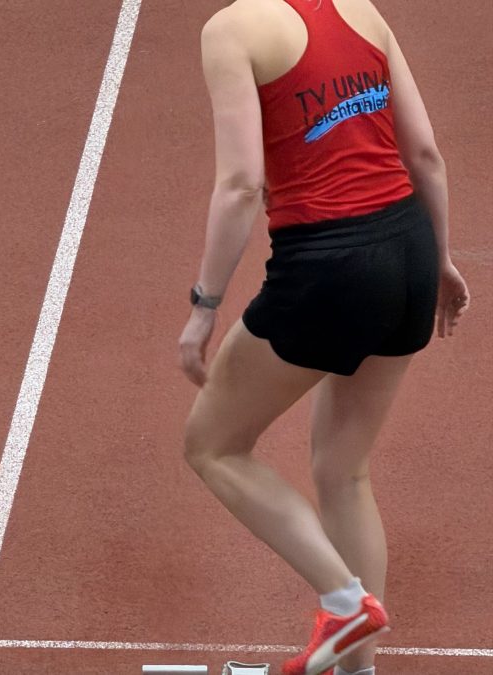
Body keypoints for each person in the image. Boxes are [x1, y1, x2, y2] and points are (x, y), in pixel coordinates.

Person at [177, 1, 469, 675]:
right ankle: (358, 669)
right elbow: (424, 153)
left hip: (328, 267)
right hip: (409, 250)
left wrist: (204, 306)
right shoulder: (360, 10)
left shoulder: (232, 30)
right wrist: (441, 259)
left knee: (213, 445)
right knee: (344, 471)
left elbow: (241, 185)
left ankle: (343, 601)